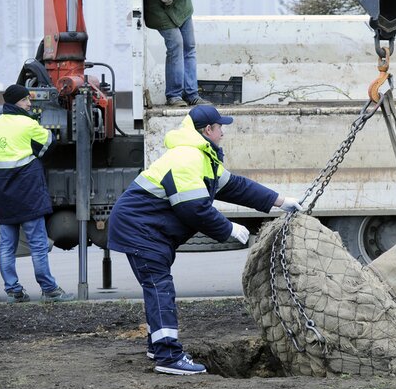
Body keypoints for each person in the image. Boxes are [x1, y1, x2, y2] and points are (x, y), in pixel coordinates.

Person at [107, 105, 301, 375]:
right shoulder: (187, 158)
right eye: (220, 128)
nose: (223, 133)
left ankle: (158, 345)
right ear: (208, 130)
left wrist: (280, 201)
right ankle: (168, 357)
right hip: (140, 229)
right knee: (159, 286)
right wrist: (228, 229)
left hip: (146, 229)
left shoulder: (201, 156)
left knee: (156, 285)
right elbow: (193, 208)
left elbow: (236, 187)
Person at [0, 84, 74, 303]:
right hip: (27, 193)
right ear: (17, 102)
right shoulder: (28, 124)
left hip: (2, 194)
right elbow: (49, 143)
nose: (29, 103)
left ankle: (13, 290)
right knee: (37, 243)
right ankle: (50, 290)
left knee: (7, 246)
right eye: (26, 100)